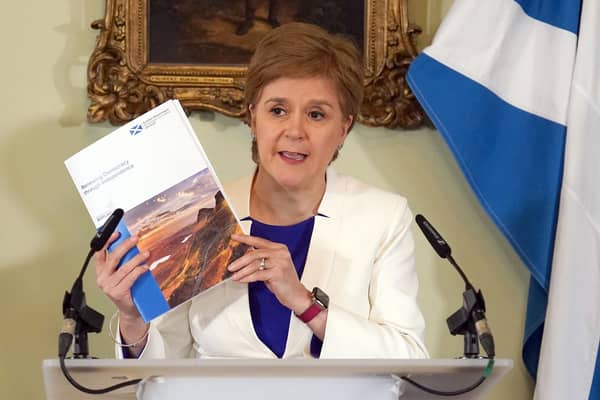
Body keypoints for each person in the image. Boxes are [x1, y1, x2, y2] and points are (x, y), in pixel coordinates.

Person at [95, 22, 429, 359]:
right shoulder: (205, 210)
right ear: (253, 118)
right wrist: (132, 316)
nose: (295, 131)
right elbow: (164, 367)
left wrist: (305, 304)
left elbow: (410, 357)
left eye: (316, 114)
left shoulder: (384, 217)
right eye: (278, 110)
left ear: (344, 128)